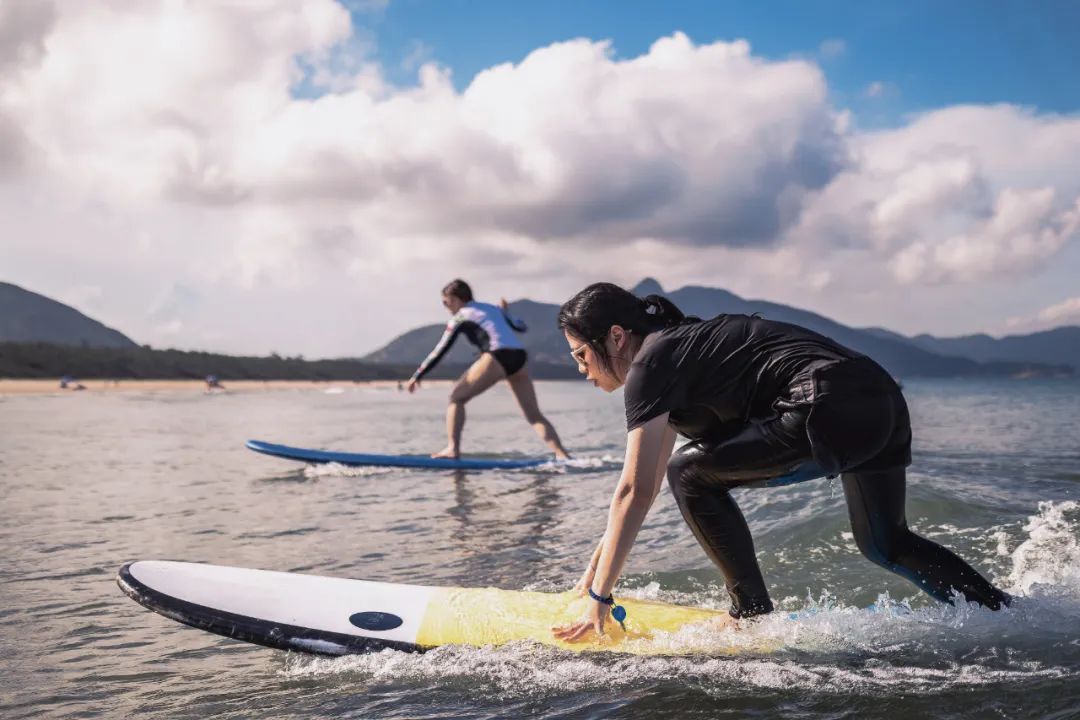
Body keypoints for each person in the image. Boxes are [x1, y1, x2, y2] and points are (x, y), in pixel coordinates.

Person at [552, 282, 1009, 642]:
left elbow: (637, 489)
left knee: (689, 473)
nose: (581, 369)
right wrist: (592, 580)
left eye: (581, 355)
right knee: (885, 545)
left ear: (615, 337)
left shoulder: (651, 365)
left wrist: (600, 599)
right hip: (880, 400)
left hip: (827, 403)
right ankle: (1004, 616)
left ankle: (749, 612)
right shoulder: (675, 354)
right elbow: (640, 488)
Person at [406, 279, 571, 460]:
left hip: (497, 355)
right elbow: (521, 326)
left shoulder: (461, 316)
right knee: (534, 415)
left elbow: (441, 349)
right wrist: (505, 312)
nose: (445, 306)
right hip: (519, 357)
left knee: (455, 397)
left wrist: (418, 375)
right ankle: (563, 455)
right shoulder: (492, 308)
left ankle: (453, 449)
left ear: (455, 298)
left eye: (445, 301)